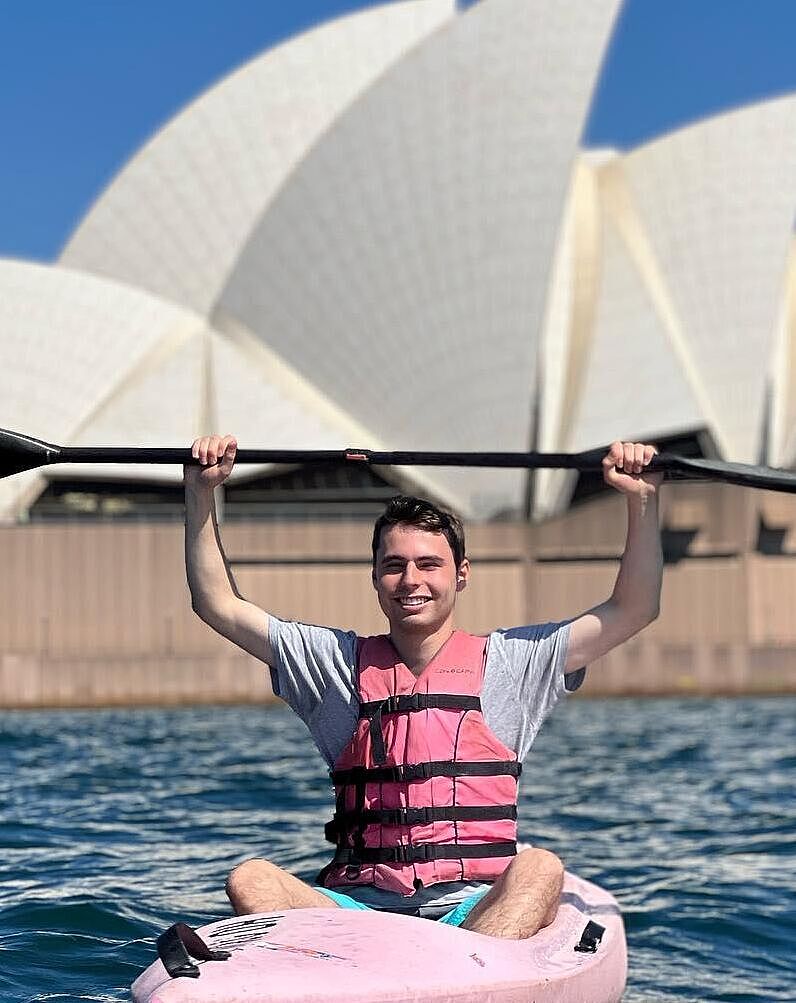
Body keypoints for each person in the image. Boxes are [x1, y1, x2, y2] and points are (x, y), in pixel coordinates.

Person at [184, 437, 663, 939]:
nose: (411, 580)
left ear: (461, 574)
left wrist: (642, 500)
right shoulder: (332, 664)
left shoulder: (514, 662)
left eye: (429, 565)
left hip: (475, 909)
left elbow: (634, 609)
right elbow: (217, 604)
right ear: (375, 576)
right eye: (395, 565)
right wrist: (201, 492)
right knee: (252, 878)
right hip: (356, 913)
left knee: (540, 868)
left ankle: (477, 971)